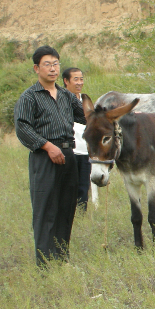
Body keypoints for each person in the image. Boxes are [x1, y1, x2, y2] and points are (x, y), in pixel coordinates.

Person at [14, 46, 86, 266]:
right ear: (37, 68)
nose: (53, 68)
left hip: (68, 154)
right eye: (48, 64)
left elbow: (86, 116)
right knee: (46, 209)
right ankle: (45, 264)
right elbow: (23, 128)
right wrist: (47, 146)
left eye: (56, 64)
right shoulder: (29, 97)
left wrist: (118, 115)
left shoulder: (66, 95)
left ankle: (62, 259)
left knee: (66, 208)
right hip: (45, 157)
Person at [62, 67, 92, 212]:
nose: (80, 82)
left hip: (85, 151)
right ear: (66, 81)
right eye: (76, 79)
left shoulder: (85, 99)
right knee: (68, 187)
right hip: (69, 151)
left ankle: (81, 217)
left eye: (81, 79)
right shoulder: (61, 99)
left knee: (84, 188)